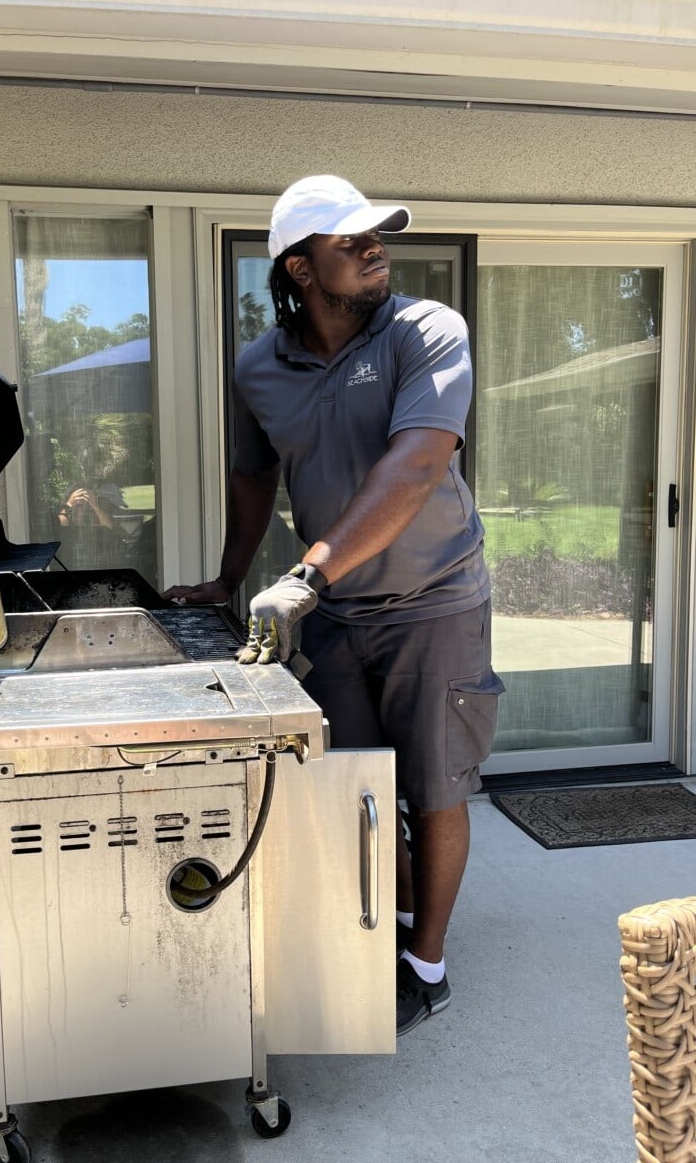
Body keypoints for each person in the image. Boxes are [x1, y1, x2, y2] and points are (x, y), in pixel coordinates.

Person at [165, 174, 504, 1036]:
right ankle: (386, 926)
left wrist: (304, 579)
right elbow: (253, 474)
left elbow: (418, 465)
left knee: (433, 788)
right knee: (354, 785)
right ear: (301, 268)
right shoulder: (258, 367)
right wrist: (230, 576)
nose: (373, 248)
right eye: (350, 242)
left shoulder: (425, 330)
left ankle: (425, 964)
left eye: (375, 236)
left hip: (435, 602)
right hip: (340, 614)